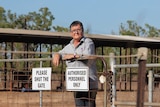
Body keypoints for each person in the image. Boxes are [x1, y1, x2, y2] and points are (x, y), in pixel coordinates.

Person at [52, 20, 98, 107]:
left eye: (78, 30)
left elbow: (86, 55)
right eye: (73, 30)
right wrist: (57, 55)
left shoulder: (88, 42)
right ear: (70, 33)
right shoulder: (69, 47)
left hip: (89, 83)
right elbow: (58, 54)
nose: (76, 32)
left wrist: (72, 56)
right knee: (79, 105)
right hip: (76, 83)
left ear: (82, 31)